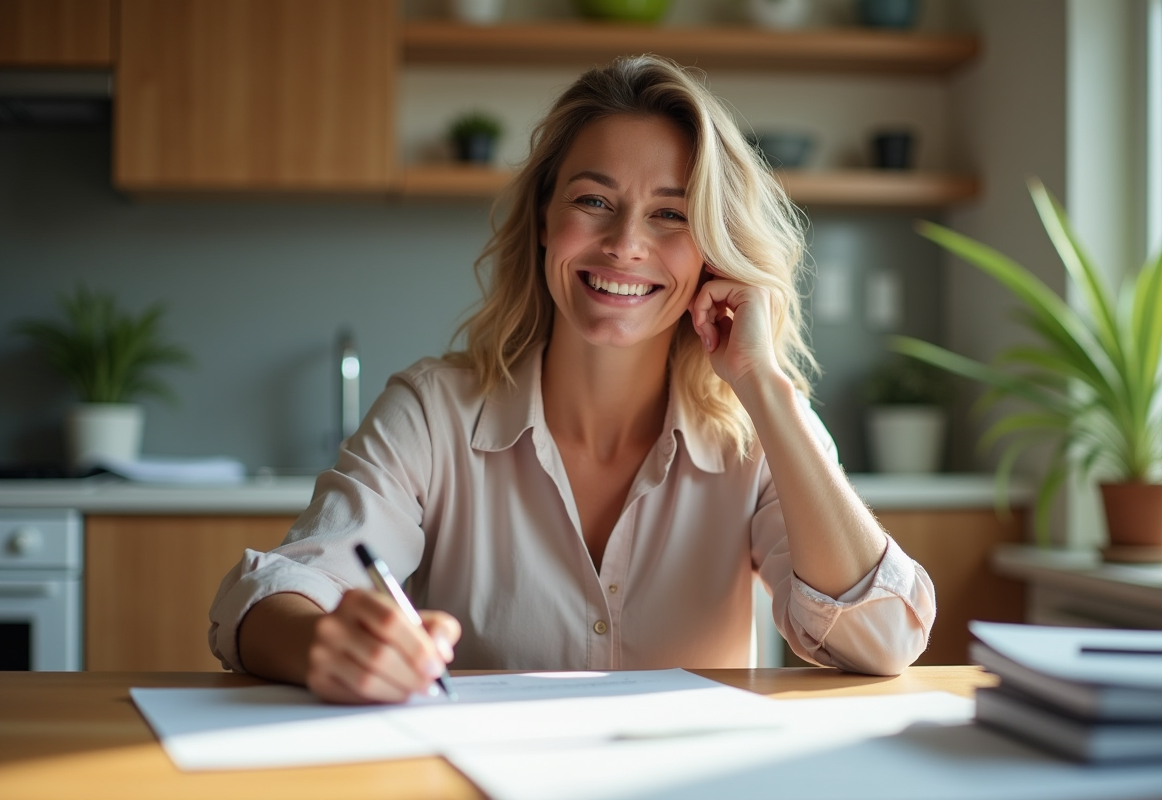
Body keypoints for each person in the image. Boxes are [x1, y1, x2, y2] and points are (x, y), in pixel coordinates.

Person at [210, 54, 936, 704]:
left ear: (713, 250)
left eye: (671, 214)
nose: (625, 244)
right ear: (542, 219)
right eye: (593, 201)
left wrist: (765, 384)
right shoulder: (431, 412)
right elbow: (271, 595)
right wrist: (325, 643)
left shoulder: (759, 430)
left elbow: (882, 639)